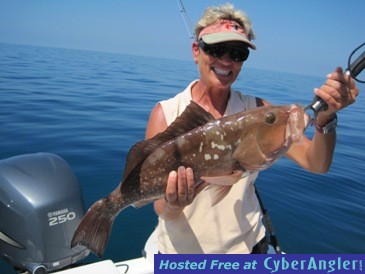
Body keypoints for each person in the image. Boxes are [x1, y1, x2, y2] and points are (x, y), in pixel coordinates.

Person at [145, 3, 359, 254]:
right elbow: (160, 207)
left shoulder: (258, 110)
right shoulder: (166, 113)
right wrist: (173, 204)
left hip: (249, 250)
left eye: (238, 53)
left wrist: (325, 117)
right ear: (196, 50)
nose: (226, 60)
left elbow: (317, 163)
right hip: (183, 256)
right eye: (216, 48)